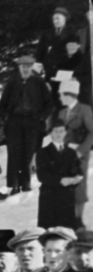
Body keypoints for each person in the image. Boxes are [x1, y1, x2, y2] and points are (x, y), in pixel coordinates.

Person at [0, 54, 53, 195]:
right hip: (14, 122)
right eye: (23, 66)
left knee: (29, 153)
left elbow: (49, 103)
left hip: (33, 122)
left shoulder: (38, 82)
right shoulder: (12, 82)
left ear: (32, 67)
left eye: (28, 66)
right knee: (14, 153)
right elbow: (2, 105)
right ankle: (15, 185)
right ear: (19, 68)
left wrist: (41, 118)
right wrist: (6, 118)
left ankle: (26, 183)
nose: (26, 69)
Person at [37, 115, 84, 228]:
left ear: (65, 133)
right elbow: (41, 175)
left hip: (66, 197)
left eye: (62, 131)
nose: (59, 134)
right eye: (56, 131)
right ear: (51, 133)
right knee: (50, 232)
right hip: (49, 197)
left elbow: (78, 171)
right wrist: (60, 180)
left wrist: (76, 178)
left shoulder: (71, 152)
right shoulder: (43, 152)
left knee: (66, 232)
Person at [56, 81, 93, 223]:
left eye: (61, 94)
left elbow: (91, 133)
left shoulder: (85, 110)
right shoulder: (62, 112)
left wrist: (80, 151)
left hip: (79, 155)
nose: (59, 97)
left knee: (79, 186)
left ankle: (78, 219)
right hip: (64, 154)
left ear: (69, 95)